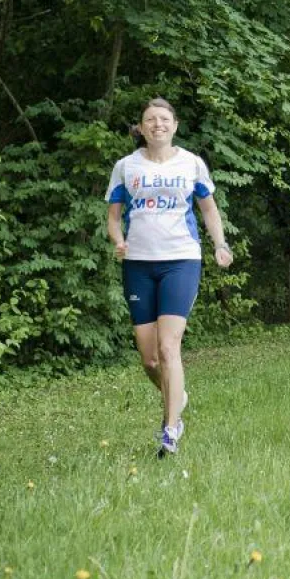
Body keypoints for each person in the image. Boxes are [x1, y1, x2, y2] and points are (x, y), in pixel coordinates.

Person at [106, 98, 233, 457]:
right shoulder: (125, 167)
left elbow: (209, 210)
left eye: (164, 119)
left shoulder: (191, 164)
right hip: (138, 264)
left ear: (175, 125)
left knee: (168, 347)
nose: (157, 124)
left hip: (181, 259)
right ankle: (177, 395)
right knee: (150, 360)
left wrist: (220, 244)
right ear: (142, 127)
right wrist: (118, 241)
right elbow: (114, 217)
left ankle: (170, 429)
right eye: (150, 119)